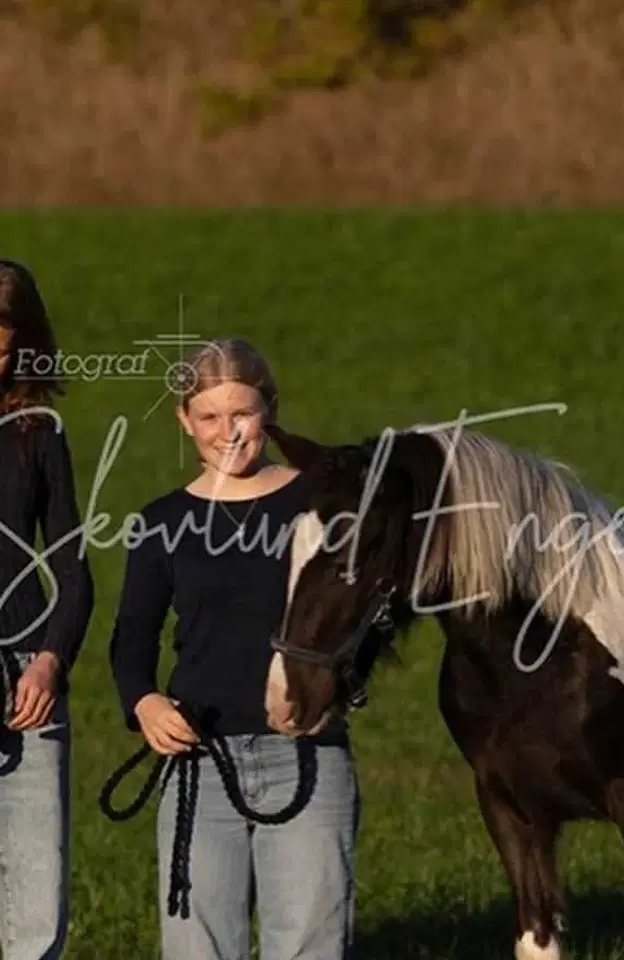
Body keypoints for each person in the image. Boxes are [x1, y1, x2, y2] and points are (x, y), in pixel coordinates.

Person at [107, 337, 359, 960]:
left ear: (269, 411)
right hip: (199, 760)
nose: (228, 432)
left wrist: (340, 688)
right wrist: (143, 702)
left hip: (305, 755)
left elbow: (360, 617)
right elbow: (131, 637)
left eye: (242, 413)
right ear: (184, 420)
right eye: (210, 416)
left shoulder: (319, 504)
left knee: (310, 944)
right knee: (198, 945)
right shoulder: (161, 521)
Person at [0, 259, 95, 960]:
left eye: (3, 345)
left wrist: (50, 661)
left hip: (25, 679)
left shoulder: (38, 433)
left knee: (34, 907)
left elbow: (71, 567)